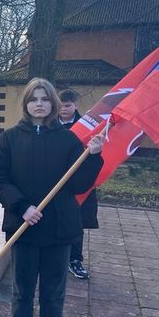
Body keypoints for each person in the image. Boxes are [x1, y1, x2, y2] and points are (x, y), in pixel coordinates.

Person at [0, 78, 104, 317]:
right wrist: (21, 205)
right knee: (23, 291)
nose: (39, 103)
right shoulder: (9, 139)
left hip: (58, 230)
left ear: (53, 103)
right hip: (24, 227)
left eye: (45, 99)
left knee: (53, 293)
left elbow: (79, 185)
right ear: (26, 103)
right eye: (33, 99)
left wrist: (93, 157)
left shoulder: (67, 141)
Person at [58, 89, 100, 280]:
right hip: (53, 182)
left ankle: (75, 260)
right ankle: (54, 258)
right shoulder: (49, 125)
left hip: (77, 182)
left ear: (75, 105)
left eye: (67, 105)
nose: (63, 109)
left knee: (77, 223)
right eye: (60, 105)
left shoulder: (88, 128)